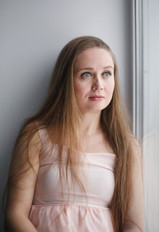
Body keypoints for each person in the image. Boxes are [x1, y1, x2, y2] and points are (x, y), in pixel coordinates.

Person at [5, 36, 144, 232]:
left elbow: (134, 225)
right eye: (86, 75)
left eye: (106, 73)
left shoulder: (127, 146)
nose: (99, 84)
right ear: (66, 82)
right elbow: (14, 215)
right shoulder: (35, 136)